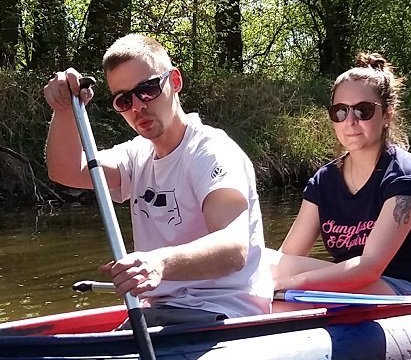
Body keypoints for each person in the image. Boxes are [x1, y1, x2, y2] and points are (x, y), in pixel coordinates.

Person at [43, 33, 273, 325]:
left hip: (224, 311)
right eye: (123, 99)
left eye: (148, 89)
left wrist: (158, 263)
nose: (138, 106)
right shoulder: (136, 156)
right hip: (160, 312)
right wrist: (64, 111)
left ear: (175, 82)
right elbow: (66, 170)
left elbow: (233, 248)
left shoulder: (212, 150)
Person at [269, 53, 411, 296]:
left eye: (363, 110)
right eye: (340, 112)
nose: (350, 121)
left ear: (387, 115)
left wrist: (294, 283)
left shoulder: (405, 176)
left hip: (405, 292)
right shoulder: (324, 181)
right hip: (354, 287)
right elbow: (289, 256)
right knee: (268, 263)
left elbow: (369, 268)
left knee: (273, 269)